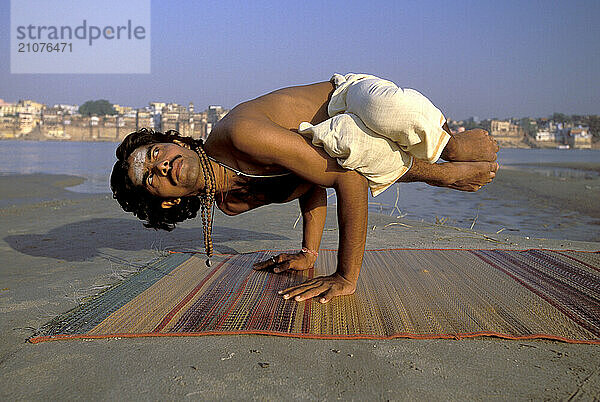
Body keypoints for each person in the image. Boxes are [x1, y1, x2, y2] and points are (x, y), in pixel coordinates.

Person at [111, 73, 499, 304]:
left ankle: (453, 150)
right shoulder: (230, 203)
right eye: (150, 178)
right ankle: (442, 172)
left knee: (388, 114)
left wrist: (346, 276)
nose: (160, 165)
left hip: (345, 97)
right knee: (353, 150)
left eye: (156, 152)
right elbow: (311, 184)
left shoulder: (241, 135)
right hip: (334, 138)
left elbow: (345, 180)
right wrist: (310, 253)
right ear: (167, 201)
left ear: (174, 143)